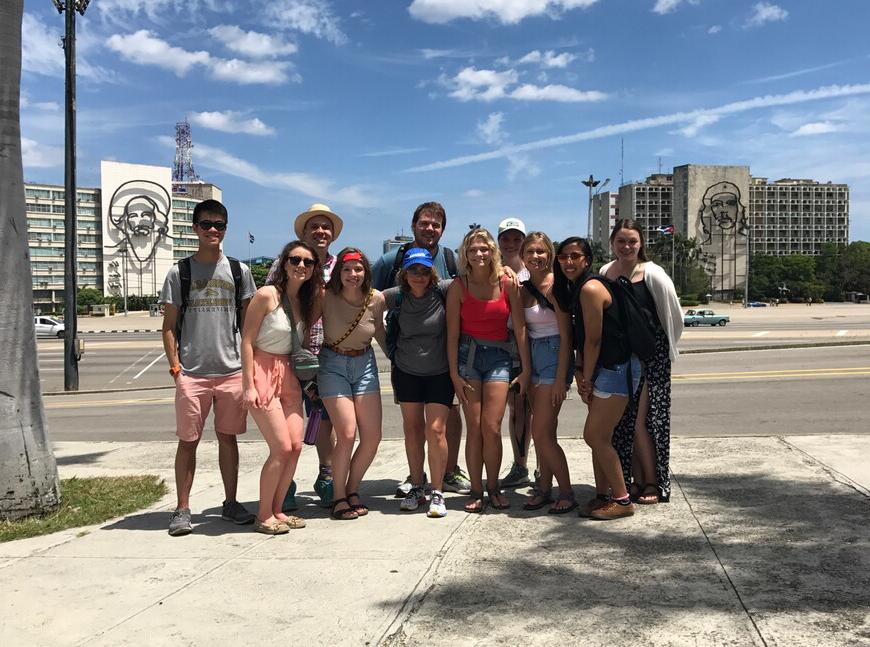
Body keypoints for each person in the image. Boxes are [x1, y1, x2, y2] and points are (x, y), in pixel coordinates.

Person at [159, 199, 257, 536]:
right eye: (206, 224)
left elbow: (248, 323)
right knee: (188, 441)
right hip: (193, 373)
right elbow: (169, 325)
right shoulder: (179, 272)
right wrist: (176, 368)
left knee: (228, 439)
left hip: (230, 370)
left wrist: (249, 369)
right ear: (195, 228)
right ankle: (182, 508)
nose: (212, 230)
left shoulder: (238, 271)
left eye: (219, 225)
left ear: (225, 229)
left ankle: (230, 503)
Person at [372, 202, 471, 497]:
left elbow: (474, 283)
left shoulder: (451, 258)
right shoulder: (393, 258)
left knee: (449, 418)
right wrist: (386, 344)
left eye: (436, 224)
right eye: (424, 223)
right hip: (408, 360)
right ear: (414, 224)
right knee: (414, 425)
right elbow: (368, 293)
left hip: (443, 361)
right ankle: (418, 476)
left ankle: (449, 471)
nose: (430, 228)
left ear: (443, 229)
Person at [553, 236, 639, 521]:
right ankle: (603, 495)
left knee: (595, 435)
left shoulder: (590, 288)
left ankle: (622, 500)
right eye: (564, 256)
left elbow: (593, 340)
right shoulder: (578, 288)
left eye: (575, 256)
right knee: (600, 437)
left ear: (587, 260)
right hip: (606, 368)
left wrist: (585, 378)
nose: (568, 261)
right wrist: (583, 373)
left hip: (616, 369)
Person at [447, 228, 531, 513]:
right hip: (467, 359)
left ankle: (493, 486)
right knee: (474, 428)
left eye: (484, 249)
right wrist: (454, 375)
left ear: (492, 251)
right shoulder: (460, 286)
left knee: (492, 427)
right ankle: (476, 488)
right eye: (473, 250)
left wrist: (527, 368)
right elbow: (452, 336)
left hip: (499, 357)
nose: (479, 254)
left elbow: (520, 328)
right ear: (465, 255)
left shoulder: (507, 281)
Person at [240, 241, 321, 533]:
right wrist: (248, 384)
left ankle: (278, 510)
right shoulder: (265, 295)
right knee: (280, 447)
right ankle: (263, 515)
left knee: (296, 446)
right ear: (284, 263)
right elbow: (247, 341)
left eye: (307, 262)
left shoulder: (305, 302)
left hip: (289, 374)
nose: (301, 266)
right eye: (295, 260)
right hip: (263, 370)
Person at [267, 203, 343, 510]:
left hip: (327, 355)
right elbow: (270, 299)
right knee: (287, 420)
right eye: (314, 227)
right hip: (288, 354)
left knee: (325, 420)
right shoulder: (285, 262)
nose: (320, 232)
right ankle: (286, 479)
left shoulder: (339, 265)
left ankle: (326, 476)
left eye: (326, 227)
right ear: (304, 232)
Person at [601, 220, 683, 504]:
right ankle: (633, 480)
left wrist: (663, 352)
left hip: (650, 357)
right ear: (612, 243)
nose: (626, 247)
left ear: (641, 243)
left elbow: (674, 317)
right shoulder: (605, 272)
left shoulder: (652, 274)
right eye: (621, 241)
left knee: (641, 422)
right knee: (623, 423)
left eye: (632, 241)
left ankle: (651, 482)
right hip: (620, 357)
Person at [383, 248, 454, 518]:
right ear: (405, 272)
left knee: (435, 431)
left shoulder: (443, 290)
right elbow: (365, 299)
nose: (420, 276)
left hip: (440, 371)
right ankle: (416, 485)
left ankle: (437, 490)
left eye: (425, 270)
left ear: (431, 272)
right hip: (406, 370)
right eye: (414, 270)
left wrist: (506, 270)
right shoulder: (395, 296)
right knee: (412, 430)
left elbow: (473, 278)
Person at [319, 248, 387, 520]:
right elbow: (304, 325)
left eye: (358, 269)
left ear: (366, 273)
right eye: (347, 269)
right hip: (332, 363)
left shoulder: (376, 298)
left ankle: (353, 489)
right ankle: (338, 497)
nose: (353, 274)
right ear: (339, 272)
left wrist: (398, 362)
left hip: (365, 363)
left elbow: (379, 331)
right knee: (346, 433)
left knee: (372, 436)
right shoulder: (325, 296)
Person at [517, 232, 576, 514]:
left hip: (555, 358)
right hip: (534, 358)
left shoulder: (558, 285)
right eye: (530, 252)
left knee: (540, 433)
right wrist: (526, 370)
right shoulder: (523, 288)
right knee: (545, 431)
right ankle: (544, 489)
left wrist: (560, 379)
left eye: (541, 251)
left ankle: (566, 491)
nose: (535, 257)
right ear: (522, 257)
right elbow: (523, 331)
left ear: (549, 254)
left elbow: (566, 336)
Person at [496, 217, 535, 490]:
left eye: (516, 239)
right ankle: (520, 465)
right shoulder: (491, 270)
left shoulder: (531, 272)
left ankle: (539, 464)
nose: (511, 244)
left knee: (534, 407)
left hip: (530, 340)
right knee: (515, 408)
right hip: (501, 342)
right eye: (506, 238)